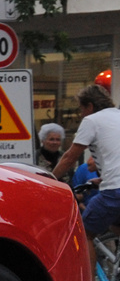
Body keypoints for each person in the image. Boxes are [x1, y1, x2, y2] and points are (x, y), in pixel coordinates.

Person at [53, 85, 120, 238]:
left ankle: (87, 263)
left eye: (81, 109)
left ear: (90, 106)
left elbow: (70, 157)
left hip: (115, 191)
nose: (81, 114)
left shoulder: (92, 120)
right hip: (114, 186)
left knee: (83, 234)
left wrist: (50, 180)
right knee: (115, 225)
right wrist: (104, 178)